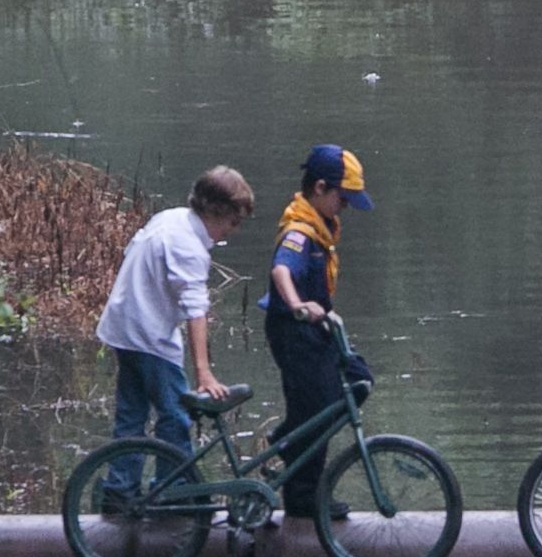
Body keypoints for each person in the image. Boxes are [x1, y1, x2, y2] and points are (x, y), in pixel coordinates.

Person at [96, 165, 251, 491]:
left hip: (124, 326)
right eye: (233, 222)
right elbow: (196, 310)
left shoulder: (171, 218)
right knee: (175, 417)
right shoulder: (188, 246)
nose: (233, 231)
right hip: (147, 334)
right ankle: (173, 490)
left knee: (131, 417)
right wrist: (203, 372)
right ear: (217, 212)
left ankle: (119, 489)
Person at [260, 144, 376, 518]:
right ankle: (303, 497)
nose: (345, 206)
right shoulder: (300, 231)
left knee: (358, 381)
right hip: (294, 333)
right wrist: (297, 306)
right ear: (321, 188)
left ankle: (287, 440)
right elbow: (281, 272)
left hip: (317, 330)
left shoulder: (322, 229)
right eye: (342, 198)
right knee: (317, 408)